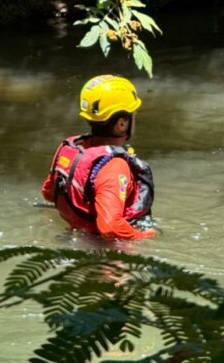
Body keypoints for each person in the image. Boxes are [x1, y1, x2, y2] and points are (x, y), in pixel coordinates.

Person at [41, 75, 156, 240]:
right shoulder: (114, 166)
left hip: (71, 236)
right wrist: (145, 236)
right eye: (133, 114)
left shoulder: (71, 147)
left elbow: (48, 192)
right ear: (121, 124)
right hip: (104, 248)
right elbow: (110, 228)